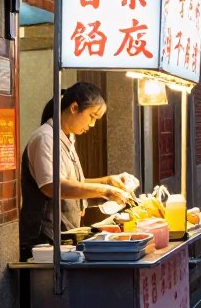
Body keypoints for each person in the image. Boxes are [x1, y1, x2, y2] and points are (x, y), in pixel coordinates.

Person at [20, 81, 132, 258]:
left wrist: (107, 181)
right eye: (92, 116)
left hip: (62, 236)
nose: (93, 124)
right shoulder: (45, 137)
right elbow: (51, 186)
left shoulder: (64, 138)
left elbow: (73, 183)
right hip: (43, 240)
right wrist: (104, 190)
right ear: (74, 108)